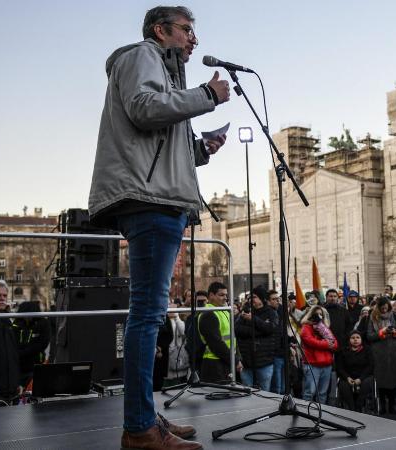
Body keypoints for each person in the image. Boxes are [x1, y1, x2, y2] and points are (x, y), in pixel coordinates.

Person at [87, 5, 231, 448]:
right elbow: (145, 109)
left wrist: (201, 149)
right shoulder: (142, 56)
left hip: (159, 199)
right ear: (160, 29)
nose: (194, 39)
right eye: (187, 30)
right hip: (149, 203)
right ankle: (139, 429)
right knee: (147, 316)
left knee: (149, 315)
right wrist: (207, 96)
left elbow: (161, 137)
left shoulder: (166, 74)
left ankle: (145, 417)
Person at [366, 297, 396, 415]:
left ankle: (392, 405)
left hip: (393, 352)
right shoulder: (372, 317)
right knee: (380, 380)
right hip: (378, 353)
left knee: (392, 380)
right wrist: (380, 333)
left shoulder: (395, 316)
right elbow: (369, 336)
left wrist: (395, 333)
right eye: (382, 308)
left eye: (386, 307)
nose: (384, 310)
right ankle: (382, 405)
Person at [235, 287, 278, 390]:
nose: (251, 300)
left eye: (254, 297)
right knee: (247, 392)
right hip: (247, 363)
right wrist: (259, 330)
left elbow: (270, 329)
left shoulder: (271, 313)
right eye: (250, 297)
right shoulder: (245, 312)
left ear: (262, 299)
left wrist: (253, 320)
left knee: (264, 393)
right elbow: (237, 329)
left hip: (264, 363)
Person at [198, 282, 240, 383]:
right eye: (221, 295)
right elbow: (216, 343)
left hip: (225, 362)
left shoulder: (224, 311)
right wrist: (235, 360)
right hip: (214, 364)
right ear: (211, 295)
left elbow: (232, 337)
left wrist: (237, 358)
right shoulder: (208, 314)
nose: (225, 297)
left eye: (226, 295)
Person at [299, 305, 337, 403]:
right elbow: (311, 342)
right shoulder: (306, 328)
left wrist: (328, 342)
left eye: (321, 314)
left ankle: (320, 415)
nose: (319, 316)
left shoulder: (325, 328)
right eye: (317, 314)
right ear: (311, 315)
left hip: (326, 365)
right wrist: (327, 344)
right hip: (312, 365)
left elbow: (335, 344)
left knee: (322, 393)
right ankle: (306, 415)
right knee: (309, 393)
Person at [12, 301, 50, 389]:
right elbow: (13, 340)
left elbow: (42, 344)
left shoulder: (43, 323)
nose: (27, 317)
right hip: (18, 366)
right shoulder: (17, 323)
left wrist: (21, 352)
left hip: (35, 365)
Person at [335, 330, 374, 412]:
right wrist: (347, 377)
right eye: (353, 338)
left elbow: (370, 366)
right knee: (342, 384)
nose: (355, 339)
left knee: (367, 382)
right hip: (348, 376)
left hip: (363, 376)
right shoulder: (343, 351)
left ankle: (358, 406)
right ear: (349, 340)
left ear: (361, 339)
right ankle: (352, 407)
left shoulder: (367, 350)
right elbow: (340, 368)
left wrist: (360, 379)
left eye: (357, 337)